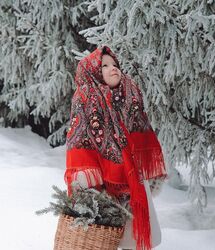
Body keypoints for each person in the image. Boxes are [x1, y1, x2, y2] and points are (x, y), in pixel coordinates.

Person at [65, 45, 167, 250]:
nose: (113, 68)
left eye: (115, 64)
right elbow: (77, 141)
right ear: (93, 71)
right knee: (105, 239)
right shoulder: (85, 98)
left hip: (133, 179)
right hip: (103, 184)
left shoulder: (128, 93)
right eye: (104, 65)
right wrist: (87, 181)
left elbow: (140, 134)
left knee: (133, 239)